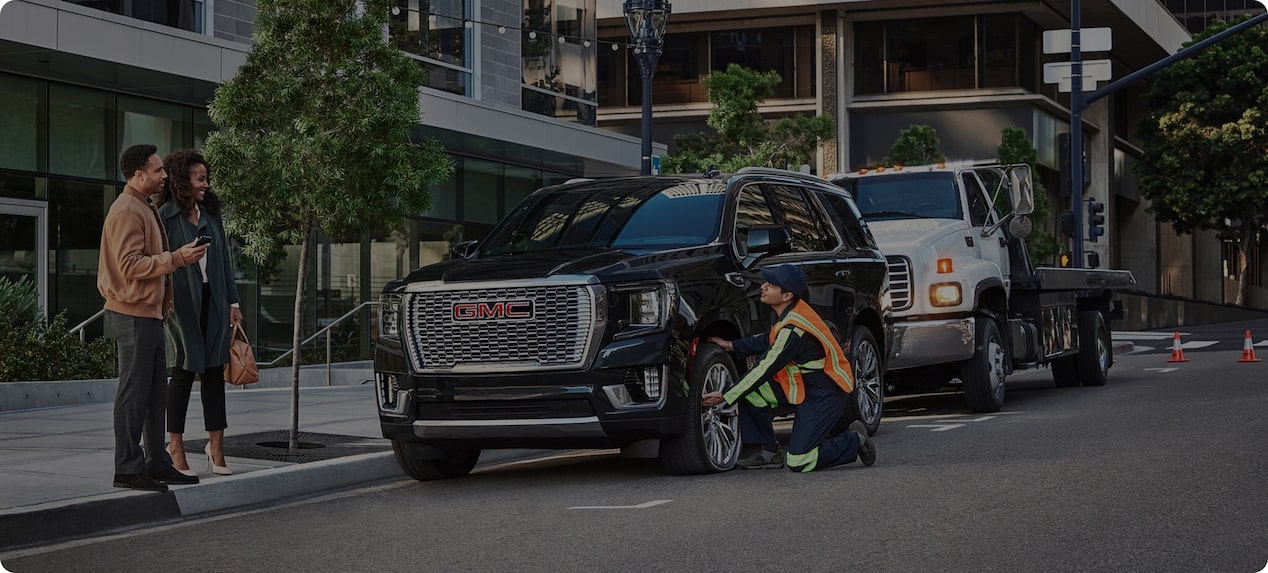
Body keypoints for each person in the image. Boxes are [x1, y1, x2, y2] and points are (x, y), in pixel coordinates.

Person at [98, 144, 208, 491]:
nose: (164, 175)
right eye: (157, 170)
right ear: (138, 174)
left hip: (148, 315)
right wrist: (177, 258)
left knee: (154, 394)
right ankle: (128, 469)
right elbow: (129, 265)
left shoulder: (143, 207)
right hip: (132, 315)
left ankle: (156, 463)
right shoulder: (127, 211)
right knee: (133, 394)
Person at [701, 264, 877, 472]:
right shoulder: (790, 312)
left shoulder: (793, 331)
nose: (764, 286)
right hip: (805, 386)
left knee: (799, 460)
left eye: (772, 284)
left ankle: (854, 440)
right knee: (749, 393)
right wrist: (731, 345)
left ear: (786, 296)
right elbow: (768, 338)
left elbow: (764, 368)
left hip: (825, 393)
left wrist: (726, 395)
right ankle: (769, 452)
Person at [156, 149, 243, 477]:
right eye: (200, 178)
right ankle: (175, 446)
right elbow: (161, 262)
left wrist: (233, 302)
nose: (205, 184)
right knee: (181, 372)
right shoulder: (164, 216)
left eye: (207, 178)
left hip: (215, 301)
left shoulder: (211, 214)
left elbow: (224, 262)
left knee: (213, 374)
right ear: (182, 181)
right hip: (181, 304)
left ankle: (215, 446)